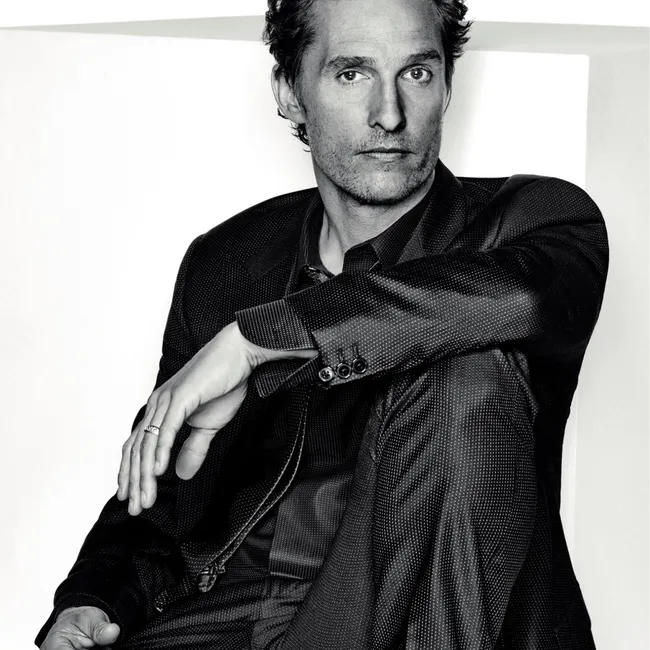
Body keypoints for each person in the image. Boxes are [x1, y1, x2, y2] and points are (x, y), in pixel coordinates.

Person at [36, 0, 608, 648]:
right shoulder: (230, 260)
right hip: (223, 612)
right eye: (352, 73)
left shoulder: (534, 220)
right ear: (290, 93)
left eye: (417, 73)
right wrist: (90, 598)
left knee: (468, 376)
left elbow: (525, 299)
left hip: (396, 616)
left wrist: (268, 337)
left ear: (447, 86)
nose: (390, 114)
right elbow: (162, 487)